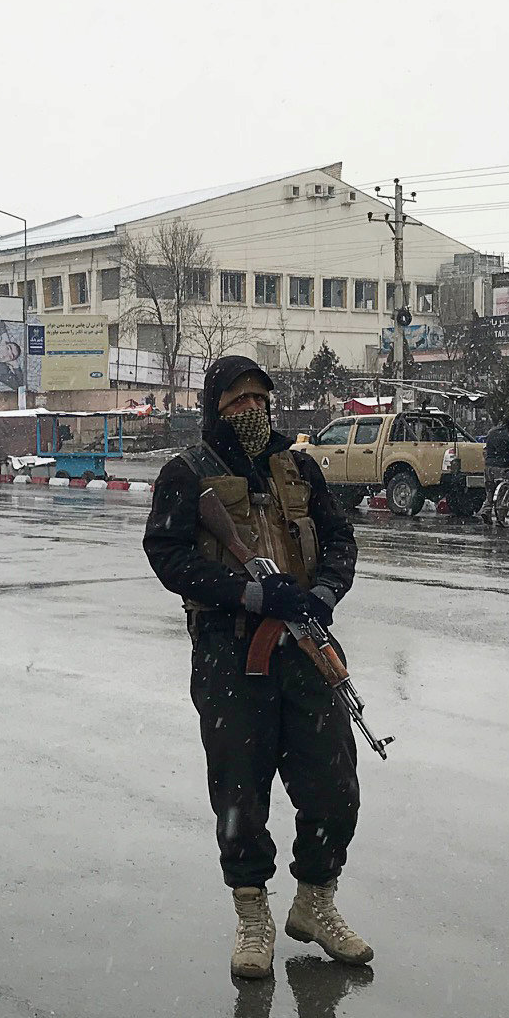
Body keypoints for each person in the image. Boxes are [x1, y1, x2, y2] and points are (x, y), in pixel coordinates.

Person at [143, 355, 371, 980]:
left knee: (334, 786)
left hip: (303, 646)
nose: (251, 412)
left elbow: (341, 540)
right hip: (229, 654)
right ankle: (253, 914)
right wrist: (247, 594)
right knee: (240, 793)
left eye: (259, 400)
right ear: (215, 409)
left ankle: (315, 902)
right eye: (236, 403)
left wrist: (321, 596)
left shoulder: (299, 467)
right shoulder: (187, 473)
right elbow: (166, 555)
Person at [482, 414, 509, 526]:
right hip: (501, 467)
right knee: (505, 491)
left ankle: (486, 510)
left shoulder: (492, 432)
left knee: (490, 491)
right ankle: (501, 517)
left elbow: (492, 449)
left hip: (488, 466)